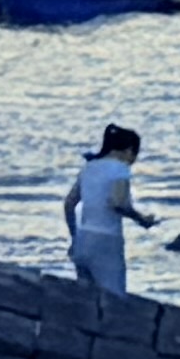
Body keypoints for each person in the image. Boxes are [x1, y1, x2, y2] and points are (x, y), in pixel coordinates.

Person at [65, 123, 146, 300]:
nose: (133, 161)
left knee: (86, 300)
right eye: (134, 155)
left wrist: (74, 236)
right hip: (107, 242)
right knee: (113, 300)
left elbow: (70, 203)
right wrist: (141, 219)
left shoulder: (89, 168)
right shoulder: (120, 169)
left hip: (83, 240)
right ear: (129, 150)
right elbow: (118, 203)